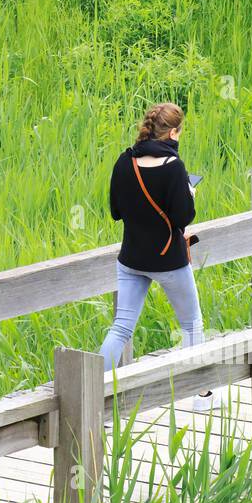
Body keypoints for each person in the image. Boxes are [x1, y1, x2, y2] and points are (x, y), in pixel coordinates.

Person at [99, 102, 215, 412]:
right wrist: (187, 193)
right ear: (174, 132)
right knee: (191, 325)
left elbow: (115, 211)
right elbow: (183, 217)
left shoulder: (125, 161)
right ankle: (201, 397)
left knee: (121, 328)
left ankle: (91, 397)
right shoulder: (174, 168)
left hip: (131, 259)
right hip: (167, 260)